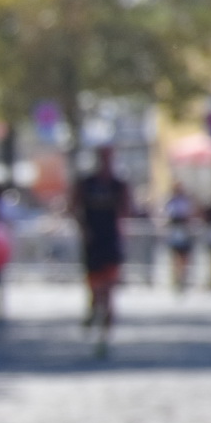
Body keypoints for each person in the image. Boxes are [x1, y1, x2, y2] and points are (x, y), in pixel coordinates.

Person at [71, 145, 131, 356]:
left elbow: (127, 210)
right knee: (96, 289)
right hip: (92, 243)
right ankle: (92, 311)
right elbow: (73, 207)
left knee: (110, 291)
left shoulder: (119, 185)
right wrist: (83, 228)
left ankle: (105, 336)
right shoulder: (86, 184)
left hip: (111, 242)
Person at [162, 183, 196, 292]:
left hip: (183, 230)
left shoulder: (186, 200)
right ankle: (176, 277)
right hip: (175, 229)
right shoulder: (171, 201)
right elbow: (167, 214)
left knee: (184, 255)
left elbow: (190, 214)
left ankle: (182, 277)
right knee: (175, 256)